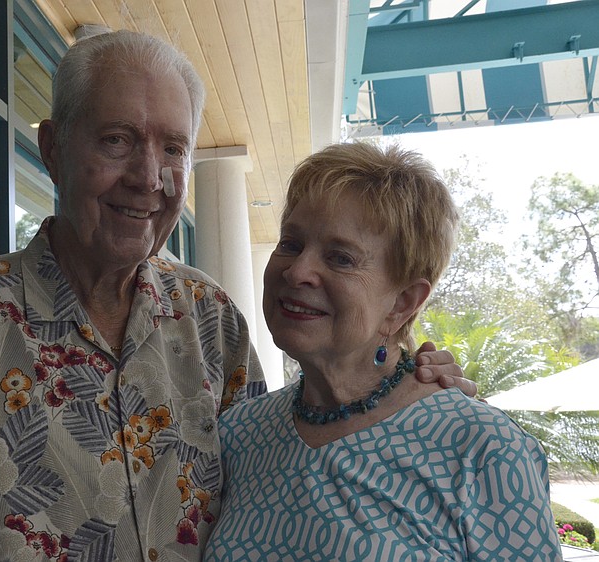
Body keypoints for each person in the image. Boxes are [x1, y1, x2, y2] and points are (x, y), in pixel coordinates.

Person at [0, 31, 472, 561]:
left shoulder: (211, 321)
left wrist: (406, 386)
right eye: (117, 140)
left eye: (174, 148)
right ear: (52, 150)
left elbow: (285, 467)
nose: (148, 178)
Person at [203, 142, 562, 561]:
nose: (297, 271)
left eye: (340, 258)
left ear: (403, 303)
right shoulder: (238, 435)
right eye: (291, 243)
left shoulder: (482, 449)